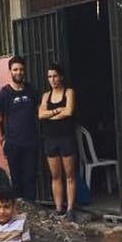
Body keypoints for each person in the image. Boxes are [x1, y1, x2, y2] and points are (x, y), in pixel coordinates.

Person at [0, 56, 39, 202]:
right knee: (16, 179)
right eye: (15, 69)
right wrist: (2, 139)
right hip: (13, 143)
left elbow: (40, 111)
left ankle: (31, 210)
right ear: (10, 71)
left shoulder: (31, 90)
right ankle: (18, 212)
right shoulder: (4, 93)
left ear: (24, 71)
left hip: (31, 142)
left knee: (30, 177)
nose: (18, 72)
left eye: (21, 69)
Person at [38, 63, 77, 221]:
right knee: (55, 175)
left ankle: (70, 208)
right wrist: (56, 111)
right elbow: (40, 115)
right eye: (49, 77)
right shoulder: (46, 96)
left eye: (55, 76)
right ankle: (58, 208)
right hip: (50, 138)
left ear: (61, 76)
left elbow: (69, 111)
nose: (52, 79)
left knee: (69, 175)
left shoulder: (69, 92)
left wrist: (50, 115)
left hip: (66, 137)